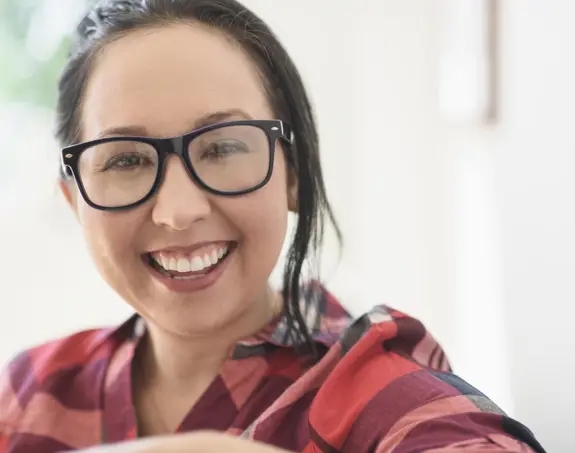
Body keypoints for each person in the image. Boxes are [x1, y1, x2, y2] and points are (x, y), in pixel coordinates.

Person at [0, 1, 546, 452]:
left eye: (222, 148)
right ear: (74, 201)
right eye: (125, 161)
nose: (178, 210)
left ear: (294, 174)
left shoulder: (388, 402)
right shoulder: (28, 396)